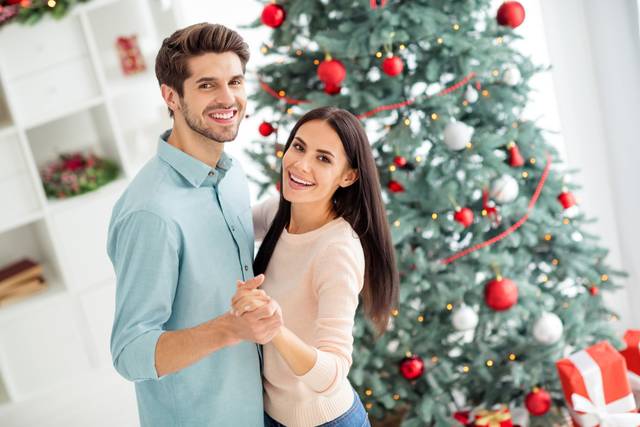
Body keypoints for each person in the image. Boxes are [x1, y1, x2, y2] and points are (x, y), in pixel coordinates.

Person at [107, 23, 282, 426]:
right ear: (171, 95)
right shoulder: (151, 214)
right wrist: (229, 330)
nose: (228, 98)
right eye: (207, 85)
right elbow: (129, 352)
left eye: (235, 81)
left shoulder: (230, 173)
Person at [231, 107, 399, 427]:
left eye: (323, 158)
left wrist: (273, 327)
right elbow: (222, 228)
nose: (301, 164)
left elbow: (333, 374)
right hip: (271, 414)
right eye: (299, 146)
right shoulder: (279, 213)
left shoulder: (336, 251)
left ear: (348, 176)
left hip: (327, 421)